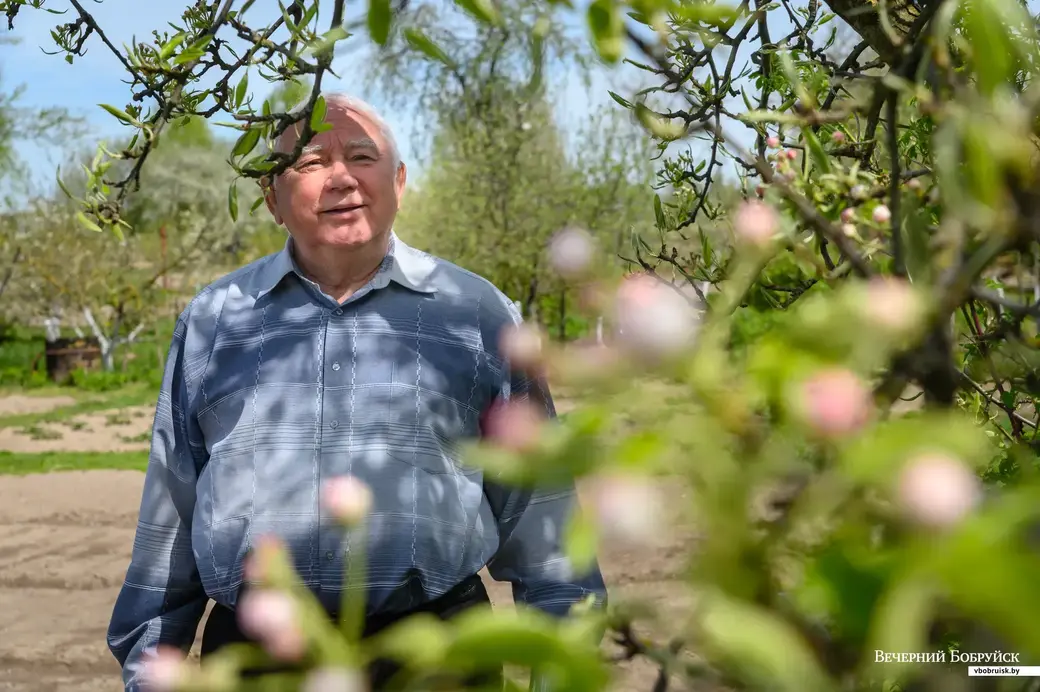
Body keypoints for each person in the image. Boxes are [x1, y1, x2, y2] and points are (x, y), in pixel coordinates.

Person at [105, 92, 608, 691]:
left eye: (362, 157)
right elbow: (171, 508)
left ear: (399, 181)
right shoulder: (215, 320)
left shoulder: (477, 315)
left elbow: (543, 517)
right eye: (311, 162)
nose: (341, 178)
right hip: (258, 656)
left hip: (437, 656)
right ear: (272, 198)